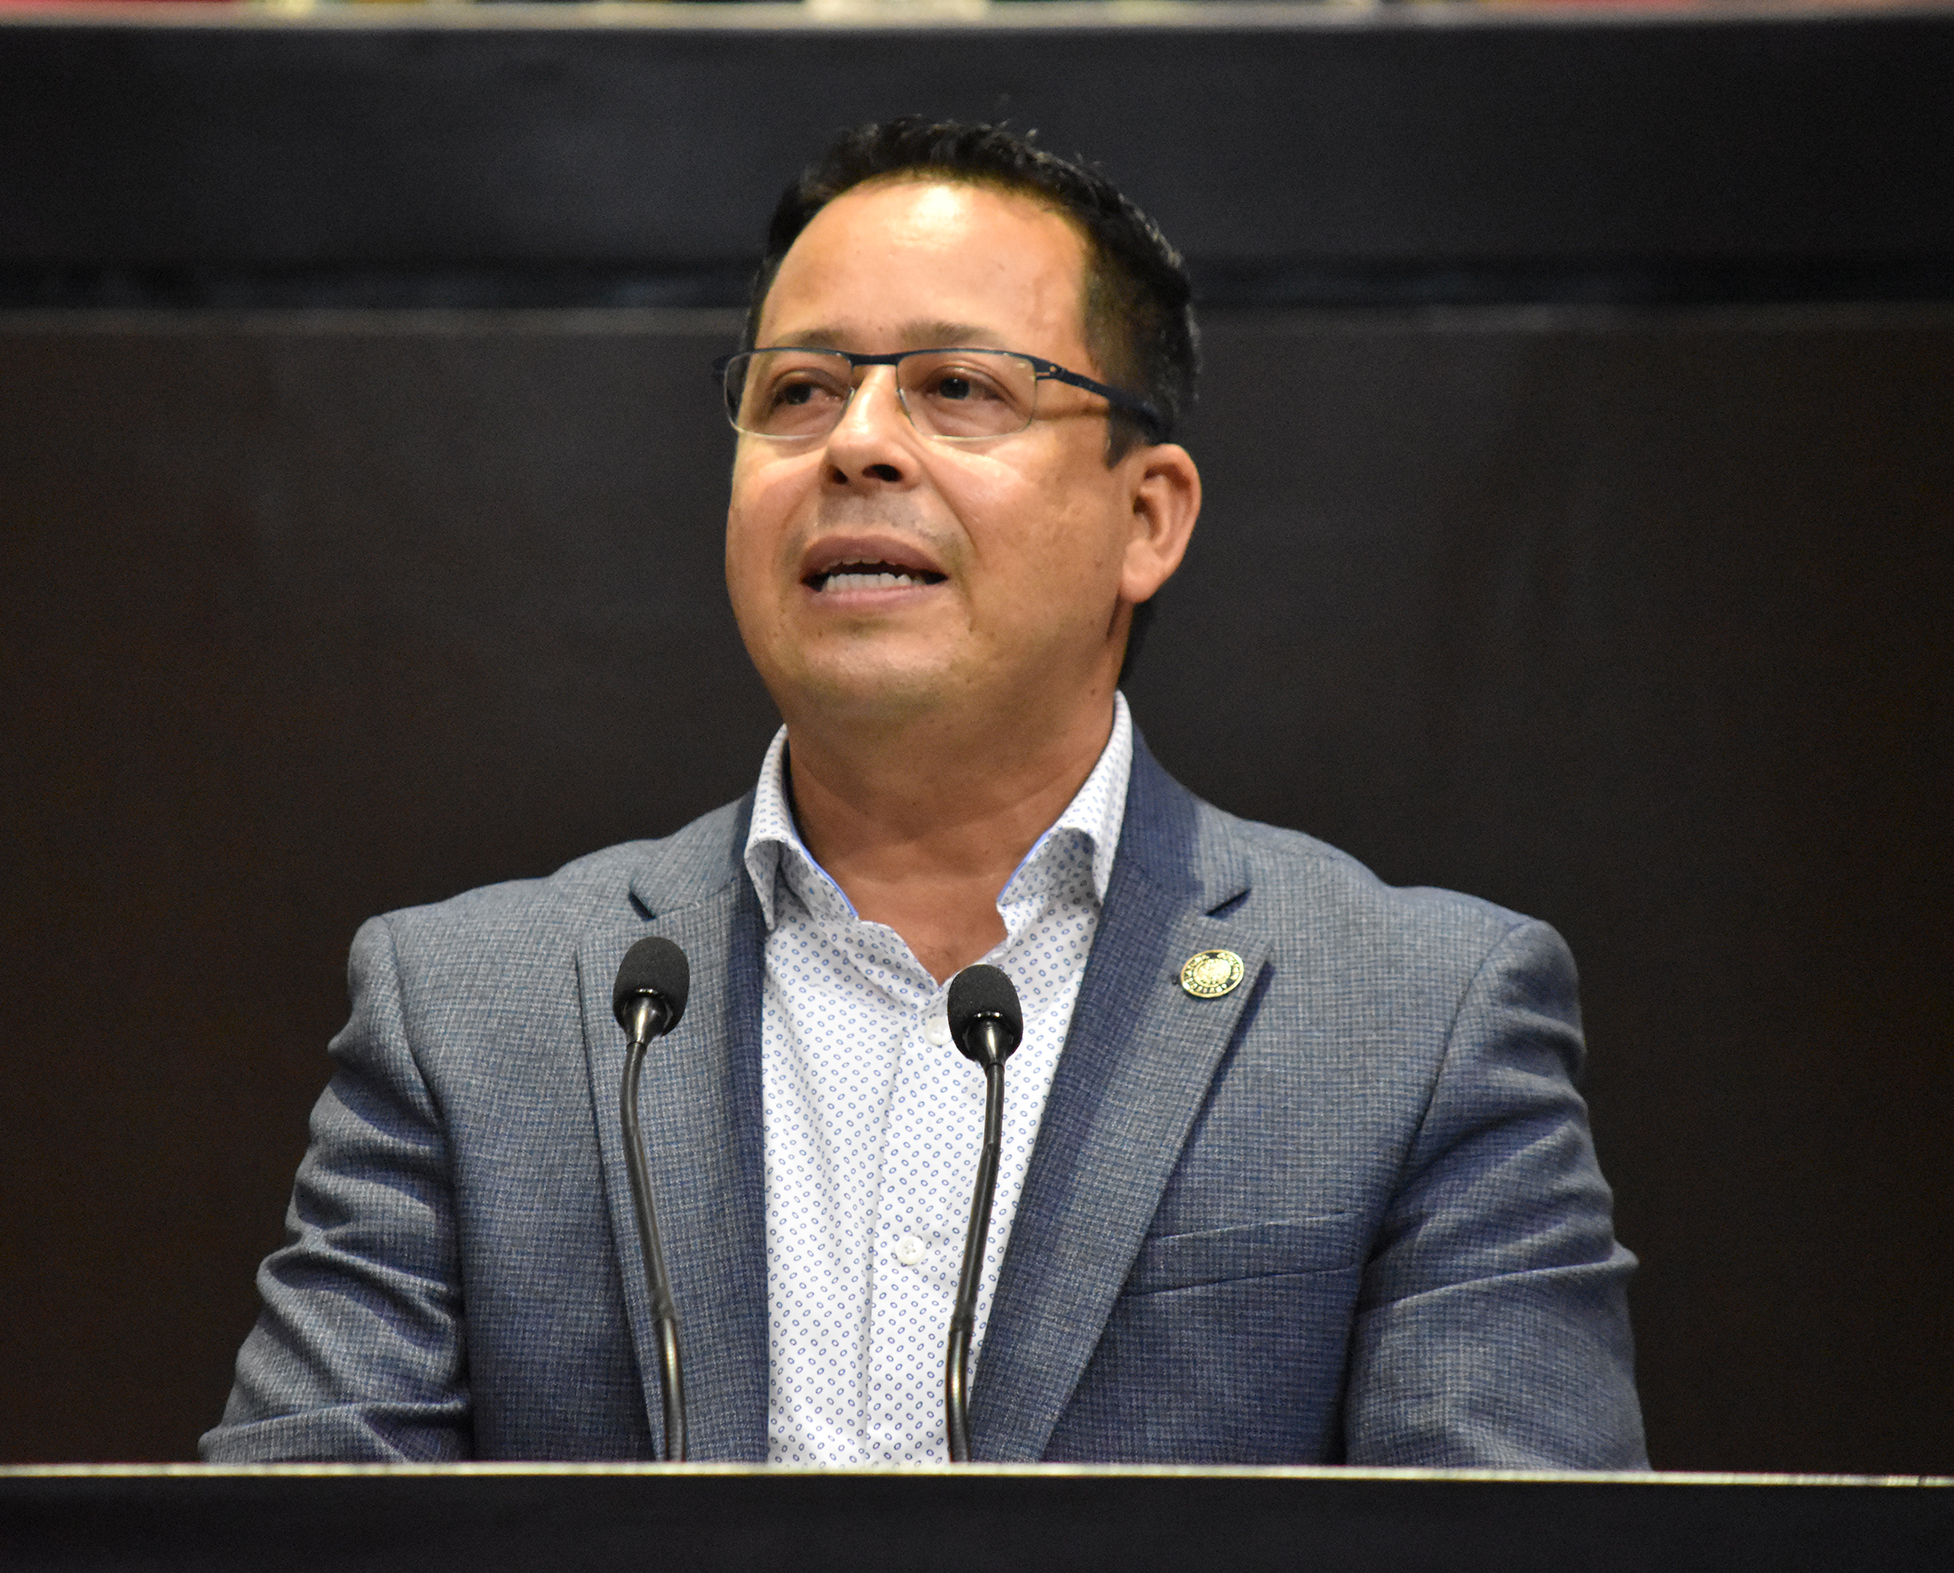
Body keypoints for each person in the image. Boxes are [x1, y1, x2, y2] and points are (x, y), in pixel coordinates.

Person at [201, 119, 1644, 1468]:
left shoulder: (1413, 1023)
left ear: (1146, 517)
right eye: (798, 392)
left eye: (957, 387)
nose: (857, 443)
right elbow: (299, 1536)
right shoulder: (470, 1016)